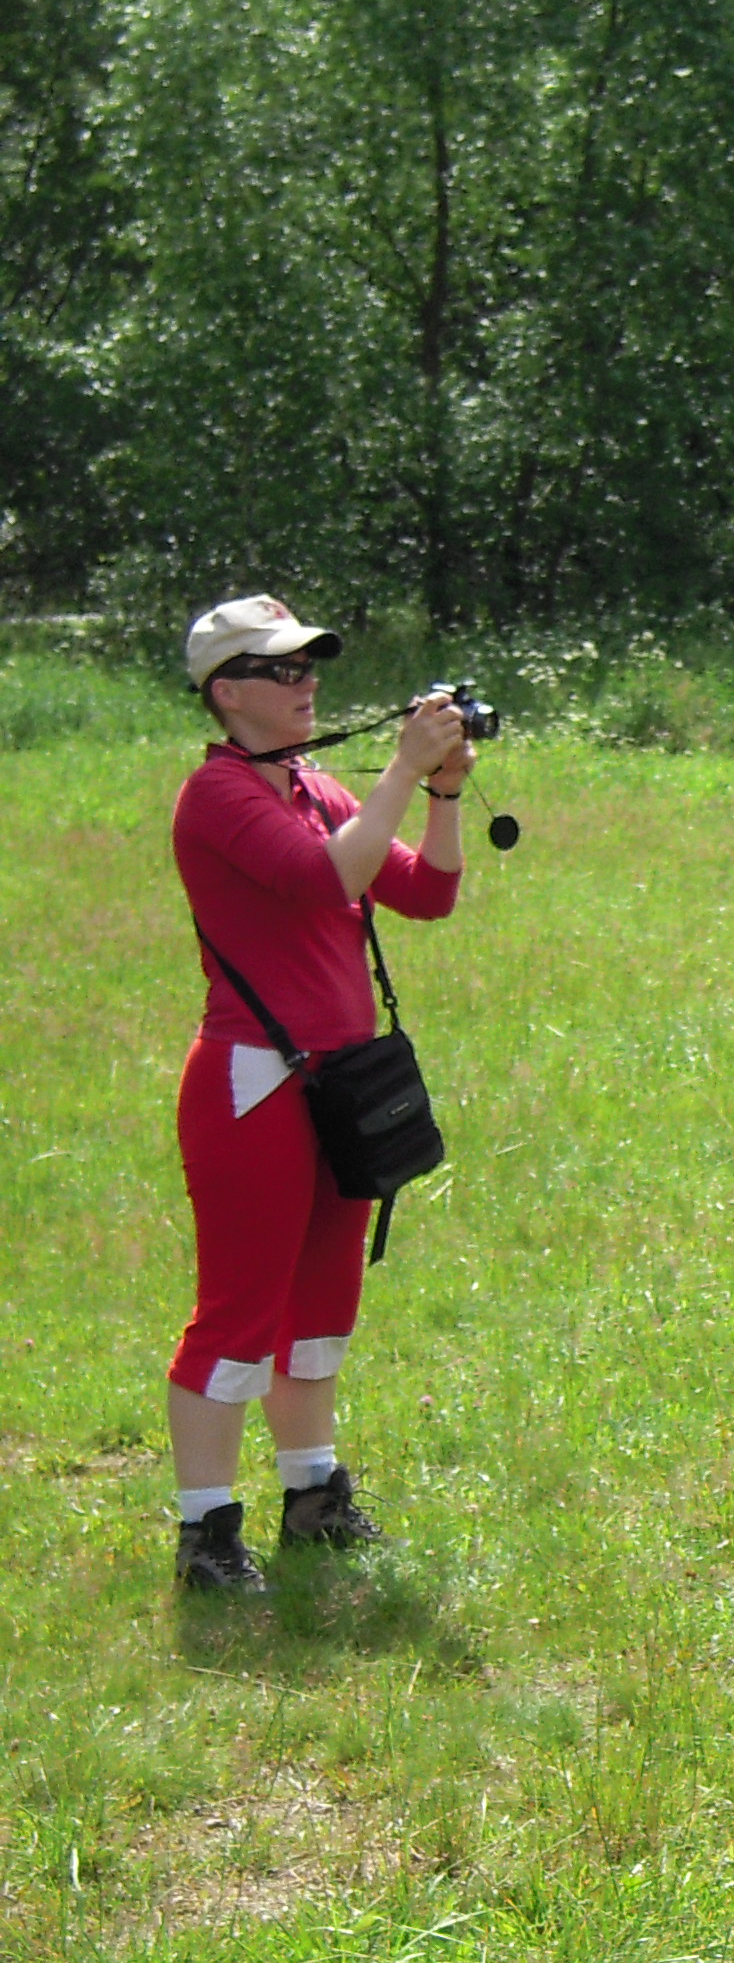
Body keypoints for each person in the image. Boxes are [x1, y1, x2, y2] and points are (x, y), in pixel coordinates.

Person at [162, 597, 475, 1595]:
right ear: (227, 693)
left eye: (309, 666)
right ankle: (207, 1533)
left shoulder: (315, 785)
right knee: (239, 1314)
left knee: (323, 1306)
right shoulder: (218, 795)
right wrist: (402, 773)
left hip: (336, 1084)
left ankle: (314, 1498)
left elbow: (427, 891)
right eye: (282, 670)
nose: (307, 684)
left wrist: (444, 794)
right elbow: (320, 879)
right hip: (254, 1084)